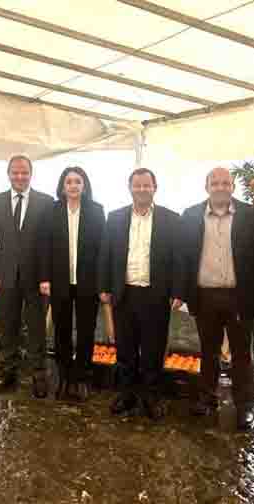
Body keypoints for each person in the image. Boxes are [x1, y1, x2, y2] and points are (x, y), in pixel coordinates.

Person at [178, 167, 254, 431]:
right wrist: (182, 292)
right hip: (205, 295)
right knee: (208, 351)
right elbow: (183, 257)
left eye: (225, 183)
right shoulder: (190, 215)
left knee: (242, 354)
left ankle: (245, 406)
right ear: (207, 187)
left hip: (240, 297)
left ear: (233, 187)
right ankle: (207, 398)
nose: (220, 187)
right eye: (215, 183)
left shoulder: (251, 215)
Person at [99, 168, 182, 420]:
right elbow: (105, 254)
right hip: (124, 293)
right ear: (130, 188)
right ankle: (127, 394)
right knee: (125, 350)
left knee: (153, 350)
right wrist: (104, 287)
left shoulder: (170, 219)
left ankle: (151, 396)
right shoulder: (115, 218)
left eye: (147, 185)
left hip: (156, 295)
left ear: (155, 188)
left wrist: (177, 291)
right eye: (138, 185)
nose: (142, 189)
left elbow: (179, 259)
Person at [0, 154, 55, 397]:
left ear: (31, 174)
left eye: (24, 172)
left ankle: (38, 374)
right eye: (15, 172)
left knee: (36, 329)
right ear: (9, 174)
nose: (20, 176)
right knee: (7, 327)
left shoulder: (46, 202)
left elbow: (50, 243)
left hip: (37, 278)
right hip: (5, 277)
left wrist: (47, 276)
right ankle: (7, 373)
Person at [39, 166, 105, 401]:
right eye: (69, 182)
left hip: (88, 282)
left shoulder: (96, 211)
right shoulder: (52, 210)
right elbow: (44, 246)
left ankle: (82, 378)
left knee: (86, 332)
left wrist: (102, 283)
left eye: (78, 181)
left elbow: (102, 249)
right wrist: (44, 278)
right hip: (59, 281)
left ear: (84, 185)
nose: (73, 185)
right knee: (62, 332)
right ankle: (65, 378)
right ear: (62, 186)